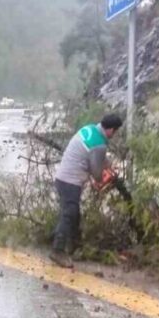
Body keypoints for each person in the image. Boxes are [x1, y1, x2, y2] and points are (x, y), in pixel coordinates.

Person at [50, 113, 122, 268]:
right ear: (111, 130)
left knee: (73, 214)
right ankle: (57, 251)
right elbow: (96, 172)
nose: (115, 135)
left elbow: (97, 157)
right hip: (71, 181)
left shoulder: (89, 129)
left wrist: (110, 166)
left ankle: (76, 248)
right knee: (69, 213)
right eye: (115, 132)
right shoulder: (100, 144)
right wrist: (102, 181)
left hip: (62, 178)